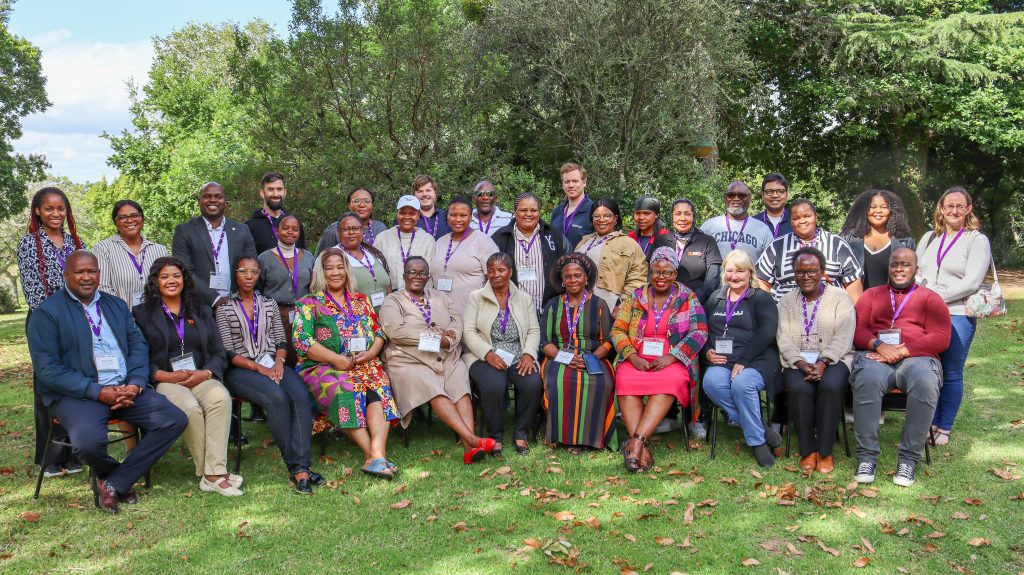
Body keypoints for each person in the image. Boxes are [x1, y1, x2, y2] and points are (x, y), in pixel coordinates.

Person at [26, 250, 187, 513]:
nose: (86, 277)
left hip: (124, 387)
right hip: (79, 394)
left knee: (174, 419)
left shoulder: (116, 305)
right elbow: (47, 369)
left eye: (92, 271)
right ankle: (118, 477)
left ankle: (113, 483)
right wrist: (97, 391)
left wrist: (135, 383)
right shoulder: (47, 313)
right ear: (66, 275)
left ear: (99, 274)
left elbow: (138, 346)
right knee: (88, 444)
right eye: (79, 272)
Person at [132, 256, 240, 496]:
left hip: (198, 376)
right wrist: (162, 375)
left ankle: (212, 472)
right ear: (155, 281)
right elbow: (138, 354)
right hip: (165, 380)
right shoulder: (141, 314)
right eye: (165, 276)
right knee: (189, 407)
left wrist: (205, 373)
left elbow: (218, 351)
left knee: (220, 398)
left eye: (176, 275)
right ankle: (212, 473)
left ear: (184, 280)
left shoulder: (201, 310)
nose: (171, 281)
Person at [214, 256, 320, 493]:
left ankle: (303, 465)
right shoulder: (224, 307)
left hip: (272, 362)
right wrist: (259, 368)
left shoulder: (269, 303)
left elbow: (281, 340)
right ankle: (297, 468)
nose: (249, 276)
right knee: (277, 397)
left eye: (254, 272)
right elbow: (228, 352)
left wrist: (279, 362)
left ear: (259, 275)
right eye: (243, 271)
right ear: (235, 274)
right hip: (240, 370)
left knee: (300, 395)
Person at [293, 248, 401, 479]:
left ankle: (376, 455)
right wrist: (336, 359)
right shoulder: (308, 303)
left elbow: (379, 332)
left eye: (340, 267)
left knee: (380, 386)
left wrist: (371, 353)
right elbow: (302, 341)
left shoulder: (361, 300)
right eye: (329, 268)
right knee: (344, 388)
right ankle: (373, 456)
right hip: (322, 366)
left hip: (364, 363)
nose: (335, 272)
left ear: (347, 270)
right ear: (321, 272)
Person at [378, 257, 497, 463]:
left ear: (428, 277)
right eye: (412, 272)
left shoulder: (441, 297)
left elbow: (457, 322)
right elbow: (396, 332)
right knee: (433, 388)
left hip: (446, 356)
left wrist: (449, 339)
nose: (417, 276)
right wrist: (436, 339)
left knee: (460, 386)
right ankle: (471, 439)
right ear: (404, 276)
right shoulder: (393, 301)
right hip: (408, 360)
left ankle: (469, 448)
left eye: (422, 273)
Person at [850, 247, 951, 487]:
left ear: (916, 269)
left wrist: (904, 350)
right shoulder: (872, 295)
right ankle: (866, 457)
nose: (899, 269)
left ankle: (908, 459)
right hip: (876, 356)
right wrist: (878, 345)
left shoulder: (930, 298)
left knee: (925, 382)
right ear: (888, 268)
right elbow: (858, 329)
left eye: (905, 264)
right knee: (867, 379)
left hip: (917, 358)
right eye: (894, 264)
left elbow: (941, 336)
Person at [610, 248, 708, 472]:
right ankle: (640, 448)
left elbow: (700, 331)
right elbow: (617, 330)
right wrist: (632, 356)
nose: (661, 277)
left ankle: (634, 444)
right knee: (625, 380)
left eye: (667, 272)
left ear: (675, 274)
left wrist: (673, 356)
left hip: (671, 359)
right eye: (656, 271)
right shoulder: (636, 297)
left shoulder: (687, 297)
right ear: (650, 272)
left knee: (670, 381)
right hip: (637, 357)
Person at [17, 187, 86, 476]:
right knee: (49, 386)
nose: (56, 214)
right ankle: (51, 458)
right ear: (37, 211)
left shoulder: (76, 243)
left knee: (76, 383)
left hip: (78, 321)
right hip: (45, 323)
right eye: (49, 208)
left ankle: (74, 453)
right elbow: (34, 292)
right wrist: (59, 323)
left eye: (60, 208)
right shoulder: (29, 244)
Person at [915, 186, 992, 446]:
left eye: (960, 206)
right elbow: (916, 271)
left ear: (969, 209)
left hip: (957, 313)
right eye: (949, 206)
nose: (954, 211)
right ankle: (929, 422)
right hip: (925, 315)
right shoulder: (929, 238)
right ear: (941, 208)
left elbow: (972, 282)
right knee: (927, 369)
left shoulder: (976, 240)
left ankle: (944, 426)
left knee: (951, 371)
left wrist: (935, 298)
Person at [777, 247, 855, 474]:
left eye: (812, 271)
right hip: (796, 361)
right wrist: (801, 364)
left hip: (835, 359)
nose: (806, 276)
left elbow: (844, 335)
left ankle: (825, 451)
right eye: (800, 272)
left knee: (830, 386)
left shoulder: (839, 297)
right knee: (799, 389)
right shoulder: (786, 301)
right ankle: (808, 450)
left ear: (822, 271)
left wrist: (823, 362)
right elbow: (783, 338)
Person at [702, 250, 783, 467]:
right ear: (724, 273)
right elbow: (702, 329)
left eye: (740, 271)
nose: (734, 276)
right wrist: (707, 350)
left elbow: (767, 332)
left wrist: (744, 360)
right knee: (711, 382)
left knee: (742, 384)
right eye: (730, 271)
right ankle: (761, 428)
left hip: (757, 359)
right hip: (722, 360)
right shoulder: (716, 297)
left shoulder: (761, 298)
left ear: (750, 273)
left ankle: (757, 443)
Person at [463, 253, 542, 456]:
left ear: (510, 272)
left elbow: (534, 330)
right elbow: (468, 331)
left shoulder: (524, 298)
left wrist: (528, 354)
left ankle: (521, 432)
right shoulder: (476, 297)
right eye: (491, 270)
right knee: (494, 385)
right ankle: (496, 435)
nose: (495, 274)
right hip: (484, 355)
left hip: (518, 354)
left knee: (532, 383)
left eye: (501, 270)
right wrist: (487, 353)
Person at [539, 254, 617, 453]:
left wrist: (591, 358)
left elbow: (608, 341)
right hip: (560, 355)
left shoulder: (599, 304)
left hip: (593, 355)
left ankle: (592, 438)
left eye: (577, 275)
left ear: (586, 278)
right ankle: (564, 437)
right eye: (568, 276)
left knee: (600, 382)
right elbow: (545, 342)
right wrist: (565, 358)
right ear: (562, 280)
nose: (573, 280)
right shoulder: (553, 305)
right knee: (559, 380)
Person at [757, 199, 864, 303]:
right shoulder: (777, 246)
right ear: (790, 221)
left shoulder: (836, 243)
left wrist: (852, 311)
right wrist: (768, 310)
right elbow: (762, 281)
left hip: (830, 311)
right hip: (785, 312)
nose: (802, 221)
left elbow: (852, 281)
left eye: (807, 216)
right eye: (796, 218)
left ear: (816, 217)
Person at [171, 182, 258, 306]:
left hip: (237, 304)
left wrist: (239, 298)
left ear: (225, 202)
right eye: (207, 196)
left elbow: (252, 266)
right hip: (199, 306)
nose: (213, 200)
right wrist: (215, 299)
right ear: (199, 201)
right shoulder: (184, 231)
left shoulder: (242, 230)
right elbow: (184, 271)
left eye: (218, 196)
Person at [491, 192, 571, 313]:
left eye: (533, 210)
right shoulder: (500, 237)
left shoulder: (554, 236)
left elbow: (568, 265)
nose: (529, 214)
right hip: (513, 310)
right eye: (523, 210)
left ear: (539, 212)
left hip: (547, 310)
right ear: (515, 212)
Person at [256, 214, 314, 366]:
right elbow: (257, 289)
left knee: (302, 355)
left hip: (303, 315)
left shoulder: (308, 257)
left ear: (299, 232)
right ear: (277, 231)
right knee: (280, 356)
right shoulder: (264, 259)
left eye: (295, 229)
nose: (290, 232)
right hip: (274, 315)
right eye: (285, 228)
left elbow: (313, 287)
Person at [430, 194, 499, 314]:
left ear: (471, 217)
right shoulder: (440, 242)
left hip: (472, 315)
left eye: (463, 215)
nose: (457, 219)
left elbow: (496, 280)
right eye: (453, 215)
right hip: (440, 315)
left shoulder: (483, 241)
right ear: (447, 216)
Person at [576, 198, 648, 312]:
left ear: (615, 218)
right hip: (578, 307)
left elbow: (637, 280)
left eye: (607, 216)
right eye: (597, 216)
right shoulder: (584, 241)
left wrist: (622, 307)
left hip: (608, 309)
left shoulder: (628, 244)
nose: (601, 220)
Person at [94, 200, 170, 307]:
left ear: (142, 219)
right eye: (123, 217)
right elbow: (102, 287)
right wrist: (123, 312)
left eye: (135, 216)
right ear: (115, 222)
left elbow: (168, 283)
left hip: (158, 313)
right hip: (121, 315)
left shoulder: (160, 250)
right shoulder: (103, 249)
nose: (130, 220)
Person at [839, 189, 916, 290]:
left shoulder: (905, 242)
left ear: (892, 211)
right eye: (872, 207)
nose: (878, 211)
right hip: (856, 299)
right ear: (864, 210)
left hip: (893, 299)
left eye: (884, 207)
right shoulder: (848, 239)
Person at [652, 198, 722, 305]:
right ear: (672, 216)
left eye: (687, 214)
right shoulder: (660, 240)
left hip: (696, 303)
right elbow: (651, 273)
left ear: (693, 217)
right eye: (678, 214)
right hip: (661, 302)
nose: (682, 218)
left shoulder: (707, 241)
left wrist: (690, 301)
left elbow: (712, 280)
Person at [700, 181, 774, 262]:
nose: (736, 199)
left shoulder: (763, 229)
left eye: (741, 195)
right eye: (731, 195)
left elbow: (772, 261)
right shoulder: (709, 226)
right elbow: (698, 258)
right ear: (725, 198)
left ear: (749, 199)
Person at [332, 212, 392, 312]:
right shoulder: (331, 256)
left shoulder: (374, 253)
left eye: (356, 228)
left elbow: (388, 287)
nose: (351, 232)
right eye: (346, 229)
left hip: (384, 317)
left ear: (362, 231)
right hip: (352, 319)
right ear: (338, 232)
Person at [375, 195, 437, 290]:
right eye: (403, 213)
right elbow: (377, 270)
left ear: (418, 215)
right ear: (397, 214)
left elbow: (430, 273)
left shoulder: (427, 240)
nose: (407, 217)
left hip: (419, 294)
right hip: (390, 294)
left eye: (412, 213)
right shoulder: (382, 238)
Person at [244, 171, 307, 255]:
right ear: (262, 193)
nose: (276, 194)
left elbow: (303, 255)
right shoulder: (250, 227)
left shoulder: (294, 223)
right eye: (271, 189)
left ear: (284, 192)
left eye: (279, 189)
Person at [315, 187, 389, 255]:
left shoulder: (380, 228)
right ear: (349, 206)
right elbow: (320, 260)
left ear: (372, 205)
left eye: (367, 201)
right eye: (356, 201)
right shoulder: (334, 231)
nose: (362, 205)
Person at [551, 162, 594, 247]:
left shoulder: (594, 210)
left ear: (584, 182)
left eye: (575, 181)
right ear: (562, 184)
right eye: (567, 182)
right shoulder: (557, 211)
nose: (571, 185)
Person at [410, 174, 450, 239]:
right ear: (414, 195)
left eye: (428, 190)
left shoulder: (448, 217)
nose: (424, 194)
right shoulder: (406, 219)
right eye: (420, 191)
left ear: (435, 192)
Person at [753, 173, 793, 239]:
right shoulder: (753, 223)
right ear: (763, 195)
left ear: (786, 195)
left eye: (780, 191)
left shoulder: (796, 221)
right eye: (769, 191)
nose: (775, 195)